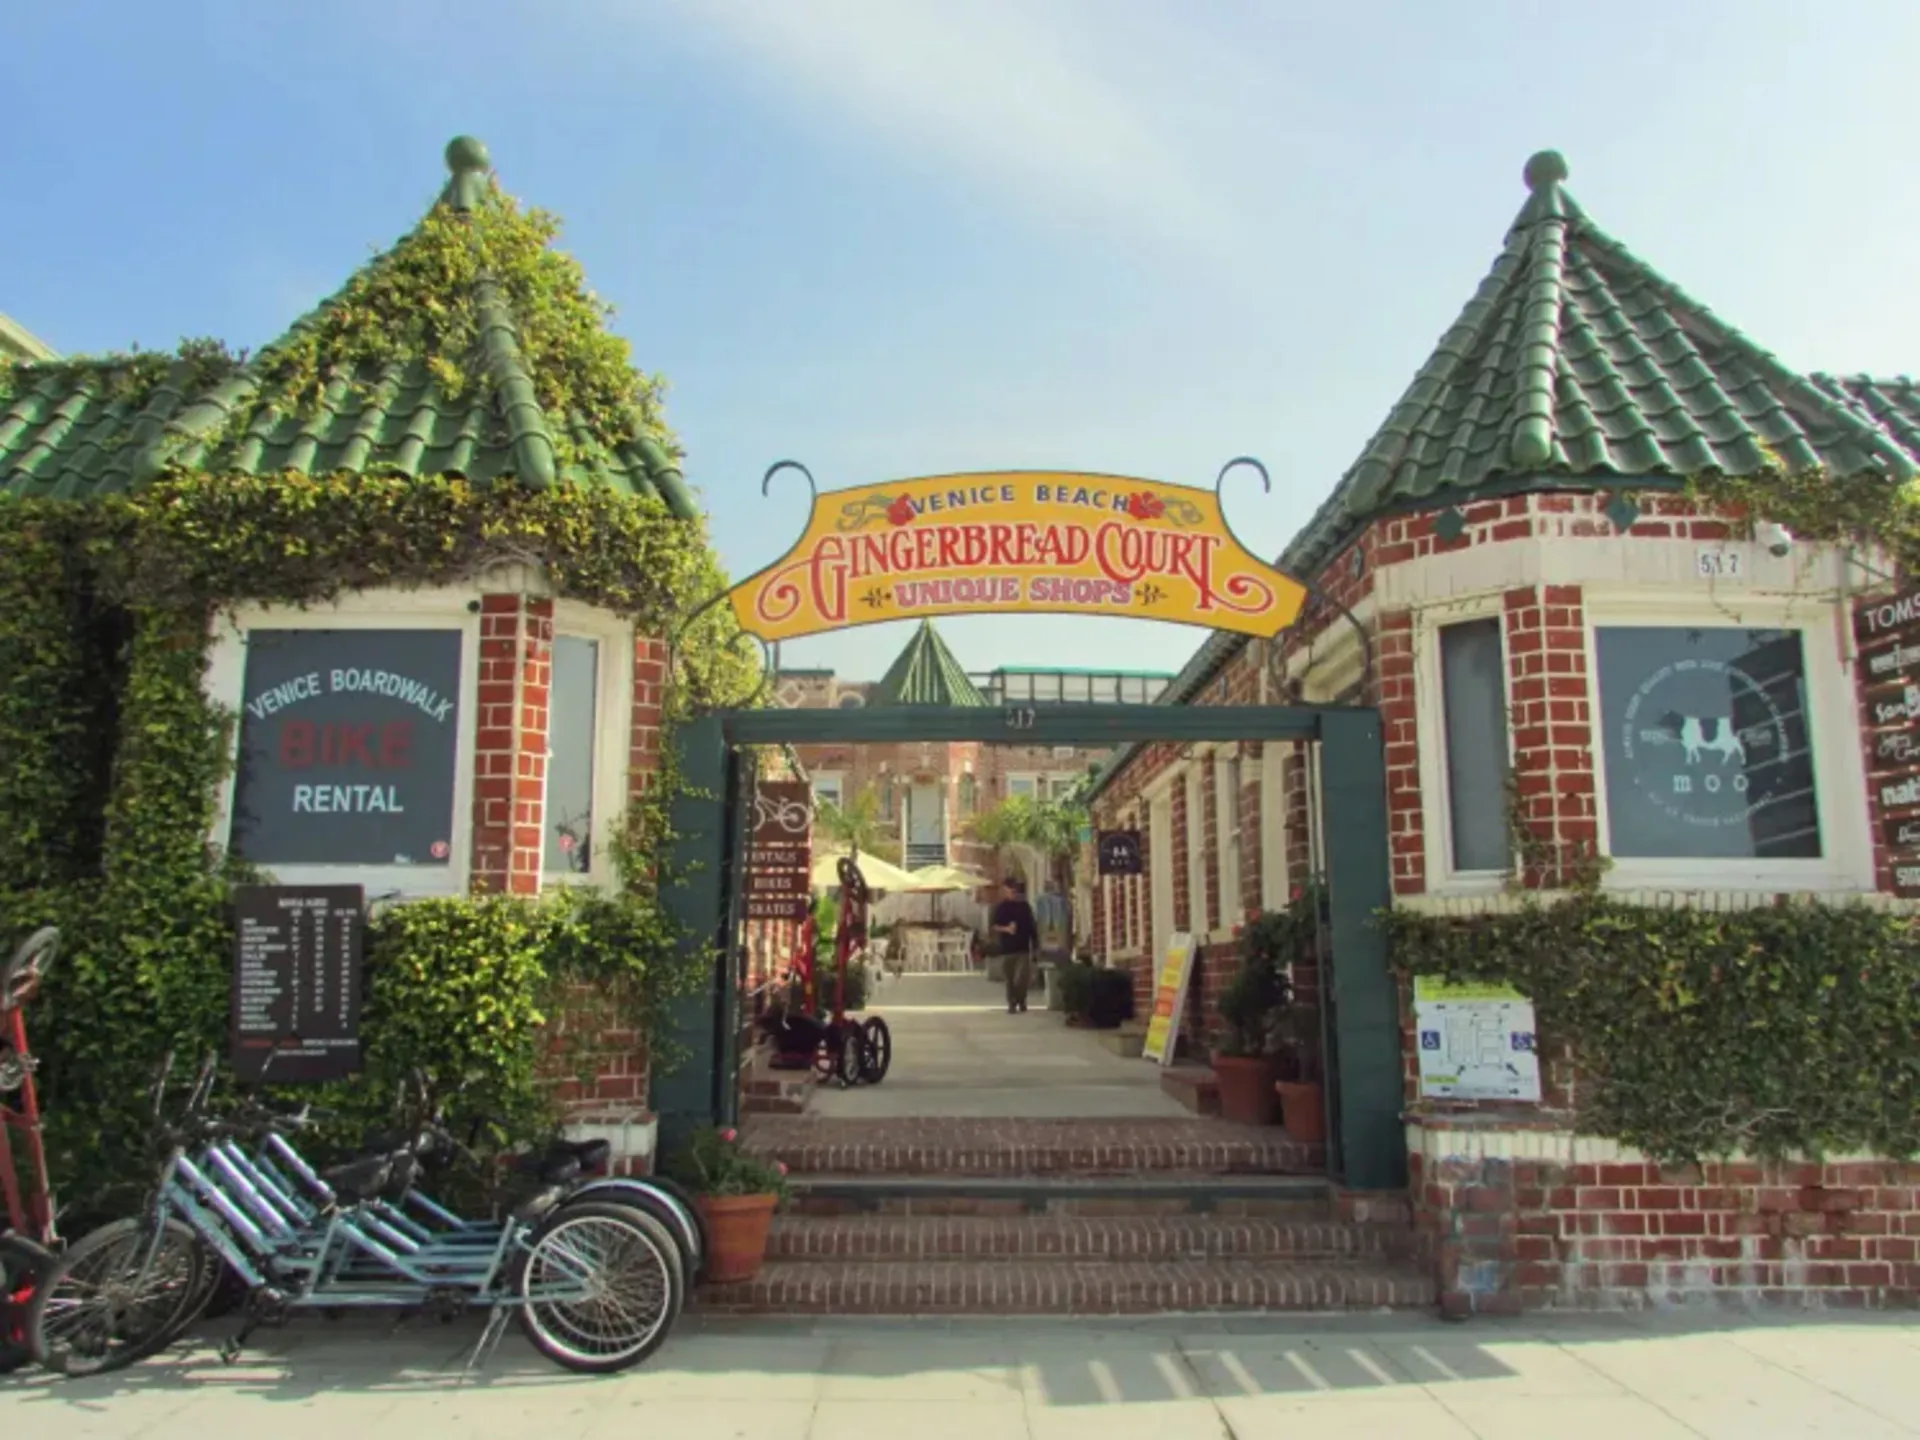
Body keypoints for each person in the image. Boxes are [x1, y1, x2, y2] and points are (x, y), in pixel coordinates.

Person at [989, 877, 1039, 1014]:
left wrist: (1035, 945)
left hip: (1023, 947)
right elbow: (994, 926)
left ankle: (1021, 999)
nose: (1013, 893)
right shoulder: (1001, 907)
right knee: (1010, 979)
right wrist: (1007, 929)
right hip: (1007, 948)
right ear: (1005, 891)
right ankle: (1012, 1003)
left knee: (1021, 978)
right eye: (1010, 890)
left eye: (1015, 890)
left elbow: (1031, 926)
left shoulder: (1025, 907)